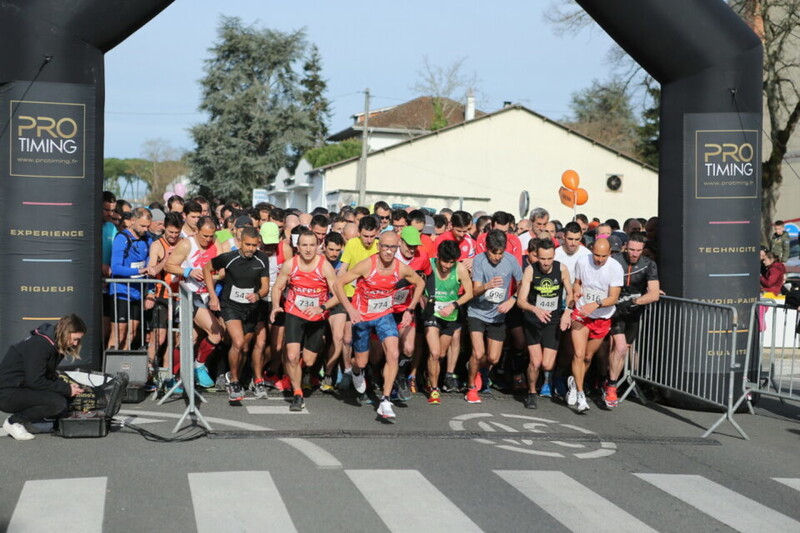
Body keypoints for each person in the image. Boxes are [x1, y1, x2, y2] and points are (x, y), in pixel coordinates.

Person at [334, 231, 425, 419]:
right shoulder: (367, 265)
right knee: (361, 361)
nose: (389, 251)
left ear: (397, 247)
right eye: (385, 247)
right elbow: (339, 284)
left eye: (393, 247)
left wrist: (410, 309)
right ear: (378, 246)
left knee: (393, 354)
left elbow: (420, 283)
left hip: (384, 315)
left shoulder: (400, 267)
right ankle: (355, 370)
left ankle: (385, 400)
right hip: (363, 317)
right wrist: (350, 309)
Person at [271, 231, 341, 411]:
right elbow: (277, 287)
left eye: (312, 245)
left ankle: (298, 369)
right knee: (292, 355)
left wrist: (322, 307)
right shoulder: (290, 264)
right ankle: (297, 394)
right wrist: (275, 306)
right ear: (298, 247)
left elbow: (338, 295)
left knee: (309, 360)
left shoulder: (325, 266)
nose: (308, 249)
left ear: (318, 246)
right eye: (304, 245)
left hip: (316, 317)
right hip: (294, 313)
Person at [205, 226, 270, 403]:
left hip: (251, 308)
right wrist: (213, 295)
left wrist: (258, 295)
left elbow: (265, 286)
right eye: (248, 244)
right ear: (240, 242)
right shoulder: (229, 257)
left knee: (245, 347)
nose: (251, 249)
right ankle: (234, 381)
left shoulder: (262, 258)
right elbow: (206, 268)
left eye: (254, 245)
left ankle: (235, 376)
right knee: (238, 342)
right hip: (231, 306)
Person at [0, 315, 86, 440]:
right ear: (65, 332)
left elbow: (47, 375)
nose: (75, 343)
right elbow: (35, 381)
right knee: (57, 403)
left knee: (63, 397)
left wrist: (67, 387)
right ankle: (14, 422)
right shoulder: (40, 344)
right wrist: (66, 389)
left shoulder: (53, 345)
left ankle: (32, 421)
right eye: (75, 339)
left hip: (21, 387)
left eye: (78, 340)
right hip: (8, 393)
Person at [465, 230, 523, 404]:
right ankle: (471, 388)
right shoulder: (479, 261)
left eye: (500, 253)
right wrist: (487, 286)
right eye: (493, 252)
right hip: (477, 312)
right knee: (478, 353)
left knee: (493, 358)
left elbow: (522, 284)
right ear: (487, 248)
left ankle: (476, 368)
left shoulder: (511, 260)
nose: (497, 257)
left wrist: (513, 300)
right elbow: (475, 290)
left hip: (498, 314)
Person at [569, 238, 623, 413]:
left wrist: (596, 304)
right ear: (592, 251)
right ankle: (580, 394)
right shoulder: (582, 261)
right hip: (582, 313)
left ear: (610, 253)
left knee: (587, 357)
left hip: (601, 316)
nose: (599, 259)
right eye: (596, 255)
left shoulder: (615, 268)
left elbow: (613, 298)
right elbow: (577, 282)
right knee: (578, 354)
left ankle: (574, 381)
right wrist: (576, 291)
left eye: (603, 256)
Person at [517, 239, 572, 409]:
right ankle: (532, 392)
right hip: (533, 320)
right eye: (542, 258)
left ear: (554, 256)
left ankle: (553, 379)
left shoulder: (561, 269)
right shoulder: (530, 271)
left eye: (549, 258)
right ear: (537, 256)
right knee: (536, 362)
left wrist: (567, 312)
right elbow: (520, 301)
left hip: (552, 321)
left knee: (547, 364)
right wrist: (535, 309)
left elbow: (570, 294)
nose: (546, 263)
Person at [607, 232, 660, 408]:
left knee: (622, 351)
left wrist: (634, 302)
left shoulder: (649, 264)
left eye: (638, 250)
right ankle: (611, 387)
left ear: (643, 249)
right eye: (631, 249)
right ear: (625, 247)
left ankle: (609, 381)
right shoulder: (615, 261)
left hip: (633, 314)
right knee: (619, 348)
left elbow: (654, 294)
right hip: (615, 312)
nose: (634, 254)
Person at [423, 240, 473, 405]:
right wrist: (422, 299)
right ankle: (434, 389)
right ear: (438, 257)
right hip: (432, 314)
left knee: (442, 354)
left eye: (451, 262)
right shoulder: (429, 264)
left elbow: (469, 293)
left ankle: (428, 375)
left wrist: (453, 305)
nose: (447, 266)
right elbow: (416, 282)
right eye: (444, 262)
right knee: (435, 352)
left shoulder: (460, 269)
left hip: (450, 315)